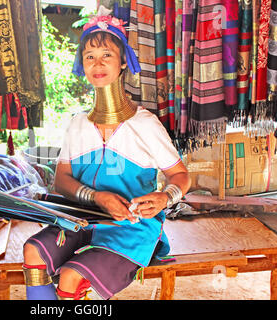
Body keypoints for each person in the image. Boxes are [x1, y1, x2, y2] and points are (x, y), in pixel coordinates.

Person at [22, 14, 191, 300]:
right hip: (82, 219)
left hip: (130, 227)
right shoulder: (78, 124)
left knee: (71, 276)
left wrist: (165, 198)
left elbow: (181, 176)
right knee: (33, 250)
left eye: (106, 55)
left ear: (123, 61)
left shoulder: (144, 124)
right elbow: (61, 182)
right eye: (89, 56)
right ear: (82, 64)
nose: (97, 64)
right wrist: (96, 197)